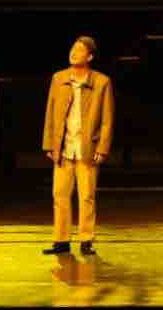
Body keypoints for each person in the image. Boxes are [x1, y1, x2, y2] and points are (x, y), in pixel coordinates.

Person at [42, 35, 114, 256]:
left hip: (87, 147)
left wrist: (102, 148)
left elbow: (107, 119)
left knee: (86, 195)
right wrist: (49, 143)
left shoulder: (101, 82)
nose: (74, 53)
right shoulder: (58, 78)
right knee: (60, 194)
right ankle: (61, 240)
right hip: (63, 147)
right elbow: (50, 111)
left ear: (89, 56)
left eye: (80, 50)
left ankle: (86, 239)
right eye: (73, 48)